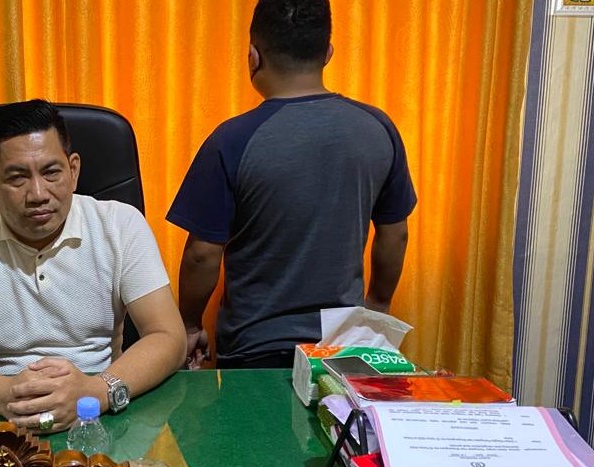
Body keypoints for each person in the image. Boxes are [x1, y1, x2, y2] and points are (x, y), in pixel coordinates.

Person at [0, 99, 186, 433]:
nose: (38, 193)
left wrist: (96, 392)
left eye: (51, 172)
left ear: (73, 170)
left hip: (97, 414)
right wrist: (1, 394)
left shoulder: (121, 224)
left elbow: (169, 337)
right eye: (17, 178)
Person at [167, 0, 416, 370]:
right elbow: (395, 235)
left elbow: (202, 254)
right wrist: (377, 307)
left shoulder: (231, 140)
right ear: (328, 53)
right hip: (341, 348)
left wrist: (189, 325)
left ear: (253, 57)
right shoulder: (378, 128)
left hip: (253, 351)